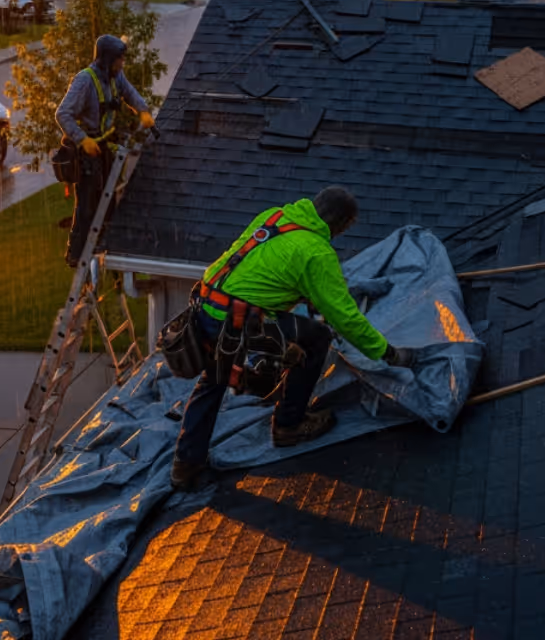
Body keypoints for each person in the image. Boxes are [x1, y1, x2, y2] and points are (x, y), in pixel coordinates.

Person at [171, 186, 417, 487]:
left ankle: (185, 465)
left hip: (207, 306)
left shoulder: (275, 217)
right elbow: (346, 318)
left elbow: (263, 269)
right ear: (342, 224)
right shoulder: (316, 252)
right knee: (316, 338)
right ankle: (289, 424)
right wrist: (388, 353)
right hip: (238, 322)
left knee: (213, 382)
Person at [55, 34, 155, 265]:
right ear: (107, 59)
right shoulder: (85, 81)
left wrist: (143, 111)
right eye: (119, 59)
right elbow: (62, 114)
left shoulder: (114, 76)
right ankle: (76, 252)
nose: (122, 64)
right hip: (85, 151)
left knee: (107, 199)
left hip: (103, 146)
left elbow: (130, 93)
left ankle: (104, 243)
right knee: (87, 203)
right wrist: (82, 140)